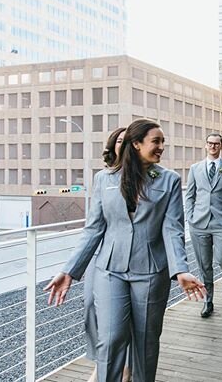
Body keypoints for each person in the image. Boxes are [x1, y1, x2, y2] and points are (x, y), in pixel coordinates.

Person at [44, 119, 205, 382]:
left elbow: (172, 229)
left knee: (145, 342)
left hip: (151, 272)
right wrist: (69, 271)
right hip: (109, 271)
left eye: (163, 142)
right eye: (156, 141)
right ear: (136, 143)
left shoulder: (169, 180)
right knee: (110, 338)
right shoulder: (103, 179)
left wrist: (180, 271)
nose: (161, 147)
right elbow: (93, 229)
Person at [84, 127, 127, 382]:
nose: (124, 144)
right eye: (120, 140)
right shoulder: (102, 178)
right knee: (90, 305)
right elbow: (94, 222)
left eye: (129, 140)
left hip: (133, 260)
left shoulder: (150, 177)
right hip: (102, 255)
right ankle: (102, 360)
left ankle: (122, 367)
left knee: (125, 317)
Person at [185, 133, 222, 318]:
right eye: (210, 143)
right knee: (204, 265)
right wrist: (190, 216)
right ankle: (208, 302)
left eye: (216, 144)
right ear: (206, 145)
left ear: (221, 146)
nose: (213, 146)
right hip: (199, 223)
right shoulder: (195, 168)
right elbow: (190, 195)